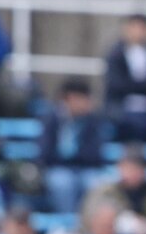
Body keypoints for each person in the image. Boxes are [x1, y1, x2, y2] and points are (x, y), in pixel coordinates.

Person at [39, 79, 112, 213]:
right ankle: (69, 223)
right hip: (58, 168)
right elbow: (45, 152)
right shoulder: (52, 120)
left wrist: (74, 157)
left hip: (86, 169)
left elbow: (95, 153)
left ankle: (88, 224)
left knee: (95, 182)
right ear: (69, 99)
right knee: (62, 183)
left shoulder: (93, 121)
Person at [103, 14, 146, 140]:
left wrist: (133, 84)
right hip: (120, 106)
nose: (138, 32)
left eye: (142, 28)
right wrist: (143, 85)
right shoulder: (114, 55)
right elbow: (115, 84)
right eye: (134, 27)